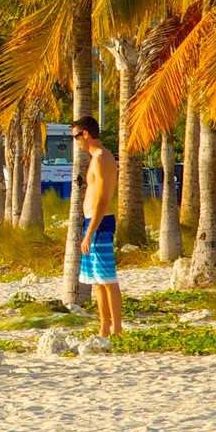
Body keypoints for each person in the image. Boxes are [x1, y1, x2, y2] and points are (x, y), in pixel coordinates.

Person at [72, 116, 123, 337]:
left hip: (99, 224)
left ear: (85, 134)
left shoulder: (102, 158)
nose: (76, 143)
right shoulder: (96, 158)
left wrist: (89, 232)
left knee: (108, 279)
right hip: (93, 224)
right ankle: (104, 326)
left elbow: (102, 200)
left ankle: (117, 329)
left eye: (76, 137)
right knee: (98, 281)